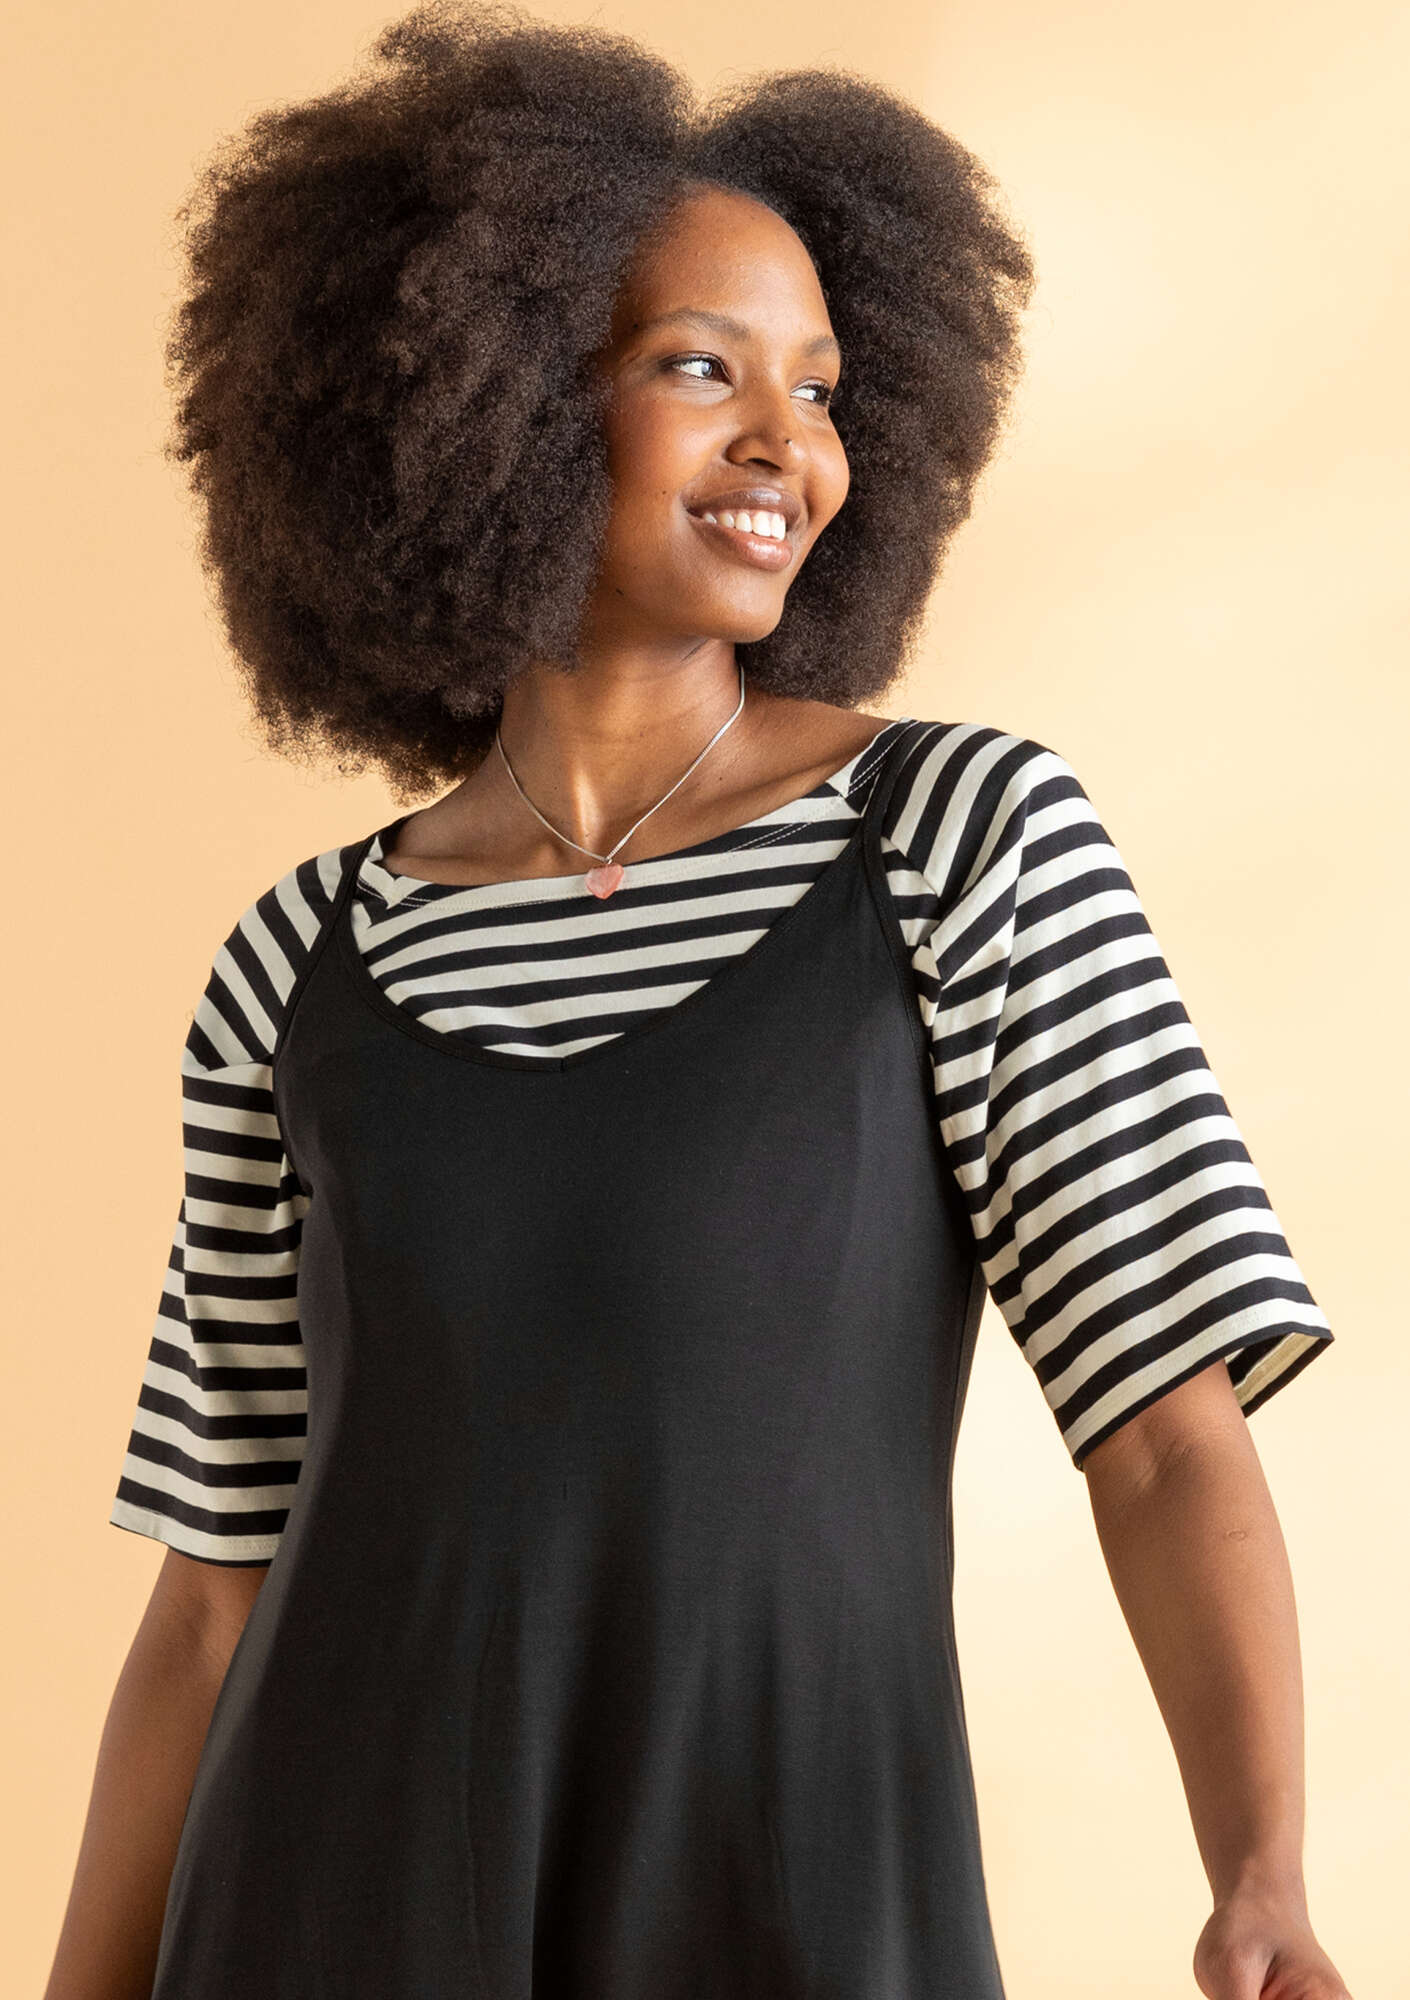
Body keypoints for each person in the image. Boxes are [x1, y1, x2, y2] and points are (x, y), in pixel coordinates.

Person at [46, 5, 1350, 1997]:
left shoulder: (958, 840)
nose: (786, 446)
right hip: (329, 1906)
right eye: (698, 367)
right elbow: (212, 1592)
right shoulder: (296, 963)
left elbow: (1165, 1428)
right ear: (485, 400)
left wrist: (1260, 1872)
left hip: (789, 1891)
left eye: (818, 387)